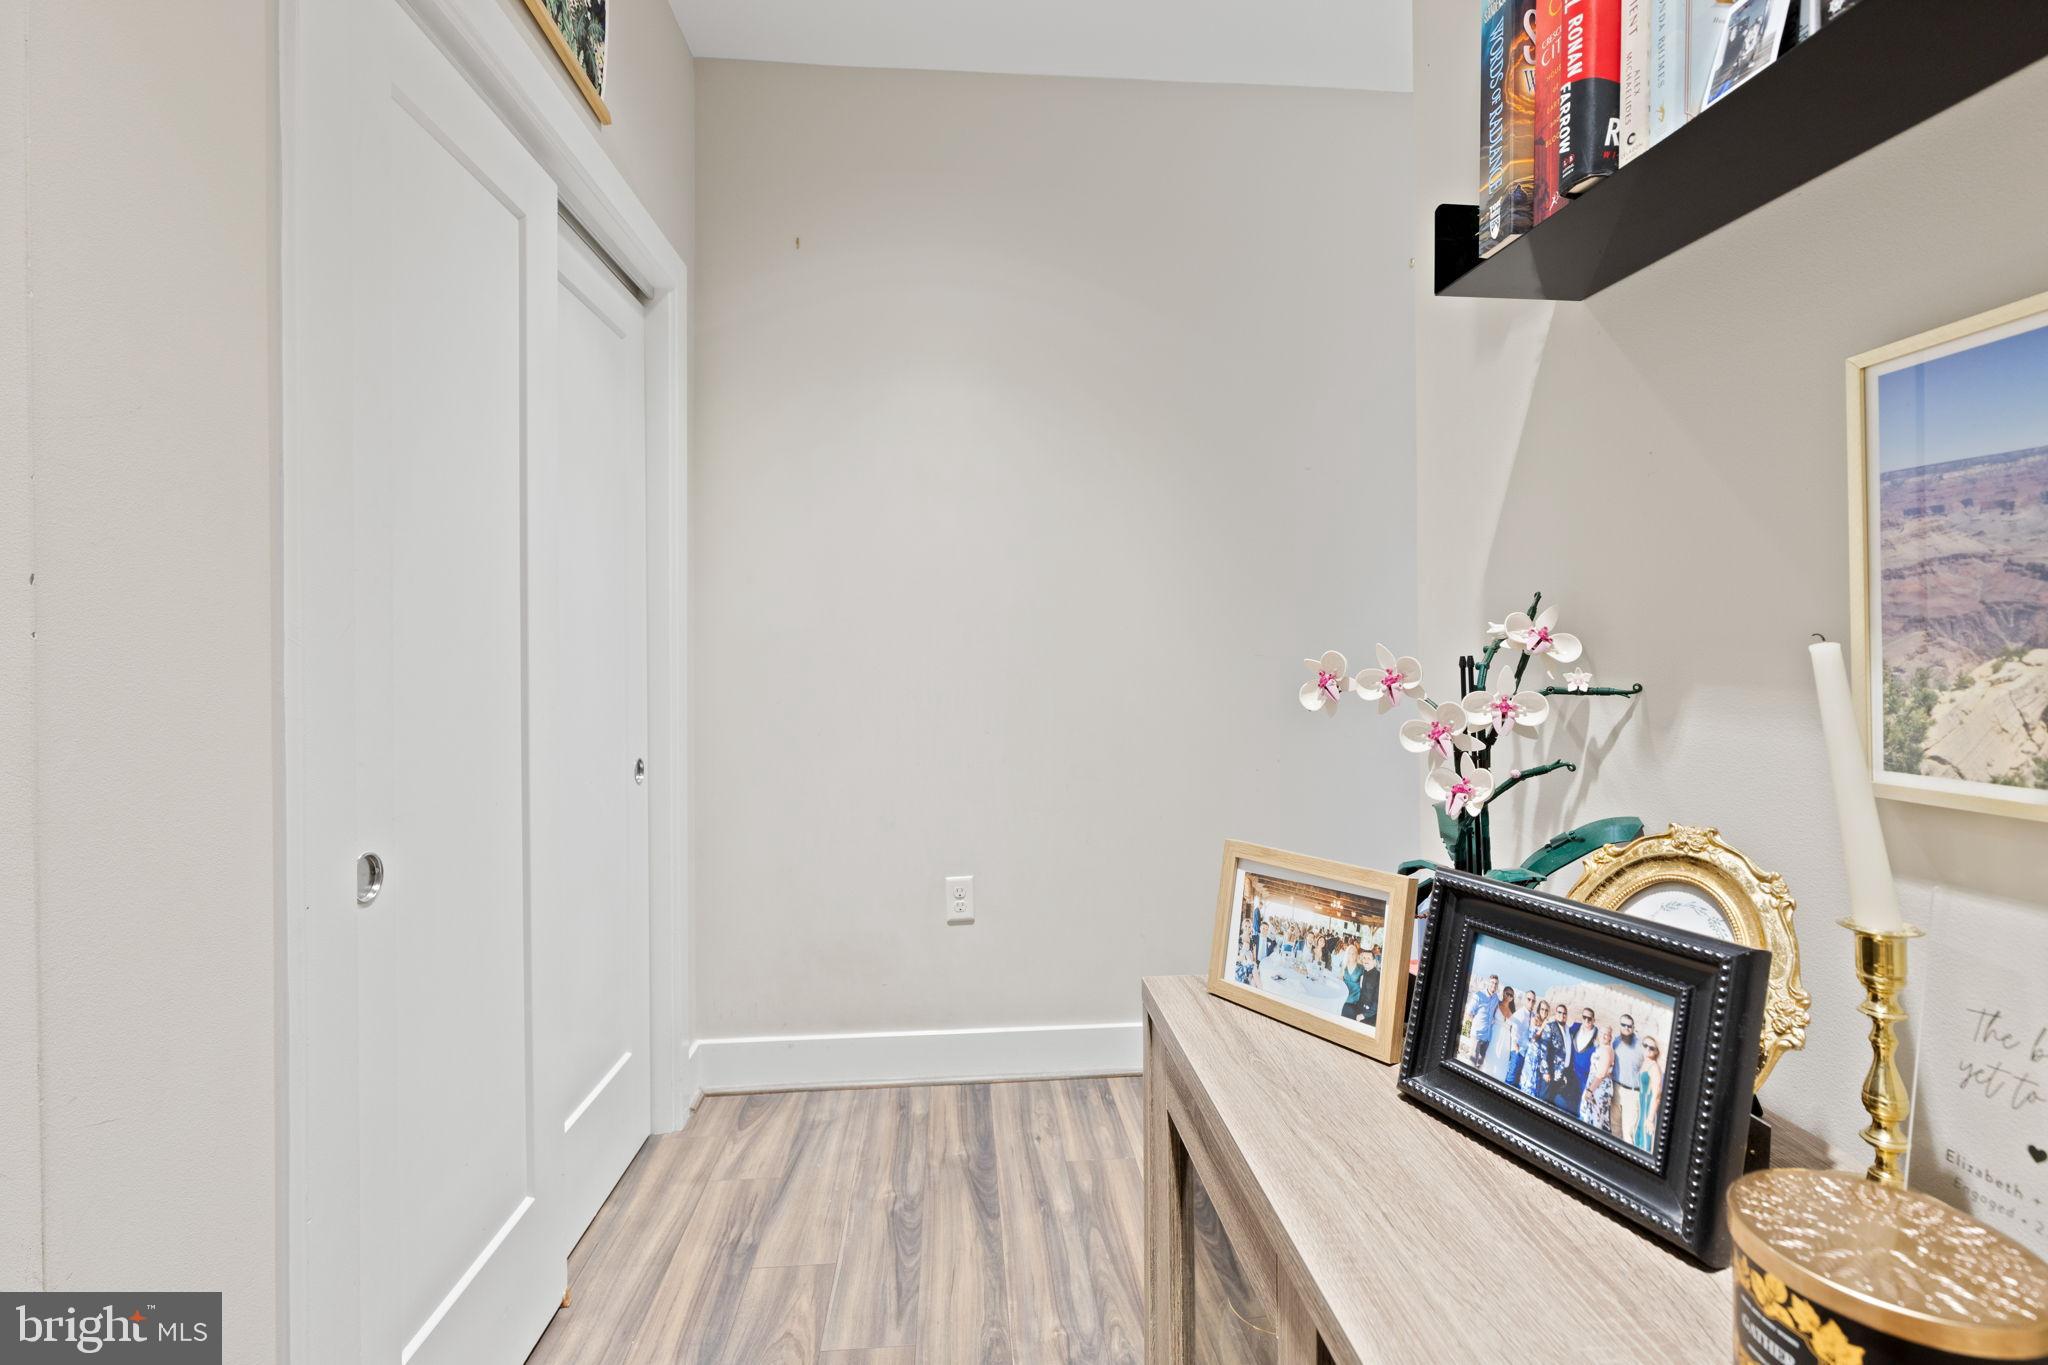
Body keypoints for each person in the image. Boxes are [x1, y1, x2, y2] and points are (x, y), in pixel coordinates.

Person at [1609, 1012, 1647, 1142]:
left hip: (1632, 1093)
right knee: (1615, 1129)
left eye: (1629, 1026)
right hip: (1616, 1090)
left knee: (1628, 1134)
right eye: (1623, 1025)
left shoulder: (1641, 1046)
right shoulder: (1615, 1042)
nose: (1626, 1028)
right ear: (1619, 1026)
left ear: (1633, 1027)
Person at [1559, 1006, 1597, 1114]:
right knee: (1568, 1100)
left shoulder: (1597, 1034)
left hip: (1585, 1077)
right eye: (1584, 1017)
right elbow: (1563, 1032)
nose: (1586, 1020)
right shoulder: (1576, 1027)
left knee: (1580, 1105)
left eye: (1589, 1018)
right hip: (1571, 1072)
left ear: (1594, 1020)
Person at [1579, 1025, 1616, 1131]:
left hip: (1599, 1087)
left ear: (1610, 1037)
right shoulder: (1601, 1048)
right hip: (1595, 1083)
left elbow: (1601, 1074)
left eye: (1606, 1034)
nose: (1603, 1036)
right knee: (1592, 1116)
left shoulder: (1607, 1051)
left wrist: (1590, 1090)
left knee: (1596, 1119)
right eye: (1601, 1033)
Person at [1634, 1037, 1664, 1154]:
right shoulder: (1645, 1063)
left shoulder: (1654, 1068)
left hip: (1648, 1108)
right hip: (1642, 1108)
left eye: (1651, 1048)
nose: (1647, 1049)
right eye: (1645, 1045)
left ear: (1656, 1052)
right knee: (1638, 1139)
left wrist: (1650, 1119)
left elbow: (1657, 1095)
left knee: (1645, 1143)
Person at [1482, 988, 1519, 1083]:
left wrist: (1515, 1043)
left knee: (1501, 1063)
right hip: (1494, 1035)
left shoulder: (1513, 1012)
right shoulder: (1496, 1004)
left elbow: (1514, 1030)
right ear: (1503, 993)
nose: (1509, 996)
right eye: (1507, 994)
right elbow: (1488, 1017)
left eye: (1511, 995)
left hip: (1506, 1041)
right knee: (1490, 1058)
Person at [1516, 1001, 1551, 1098]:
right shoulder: (1534, 1019)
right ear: (1539, 1009)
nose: (1544, 1011)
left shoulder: (1547, 1024)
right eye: (1542, 1009)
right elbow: (1532, 1039)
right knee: (1528, 1082)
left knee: (1536, 1085)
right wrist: (1542, 1027)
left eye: (1546, 1010)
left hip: (1541, 1059)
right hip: (1532, 1057)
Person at [1465, 974, 1501, 1065]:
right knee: (1472, 1062)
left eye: (1496, 983)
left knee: (1480, 1064)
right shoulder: (1479, 995)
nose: (1494, 985)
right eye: (1492, 982)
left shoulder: (1496, 999)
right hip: (1477, 1035)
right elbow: (1469, 1013)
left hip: (1487, 1037)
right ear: (1488, 983)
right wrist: (1475, 1025)